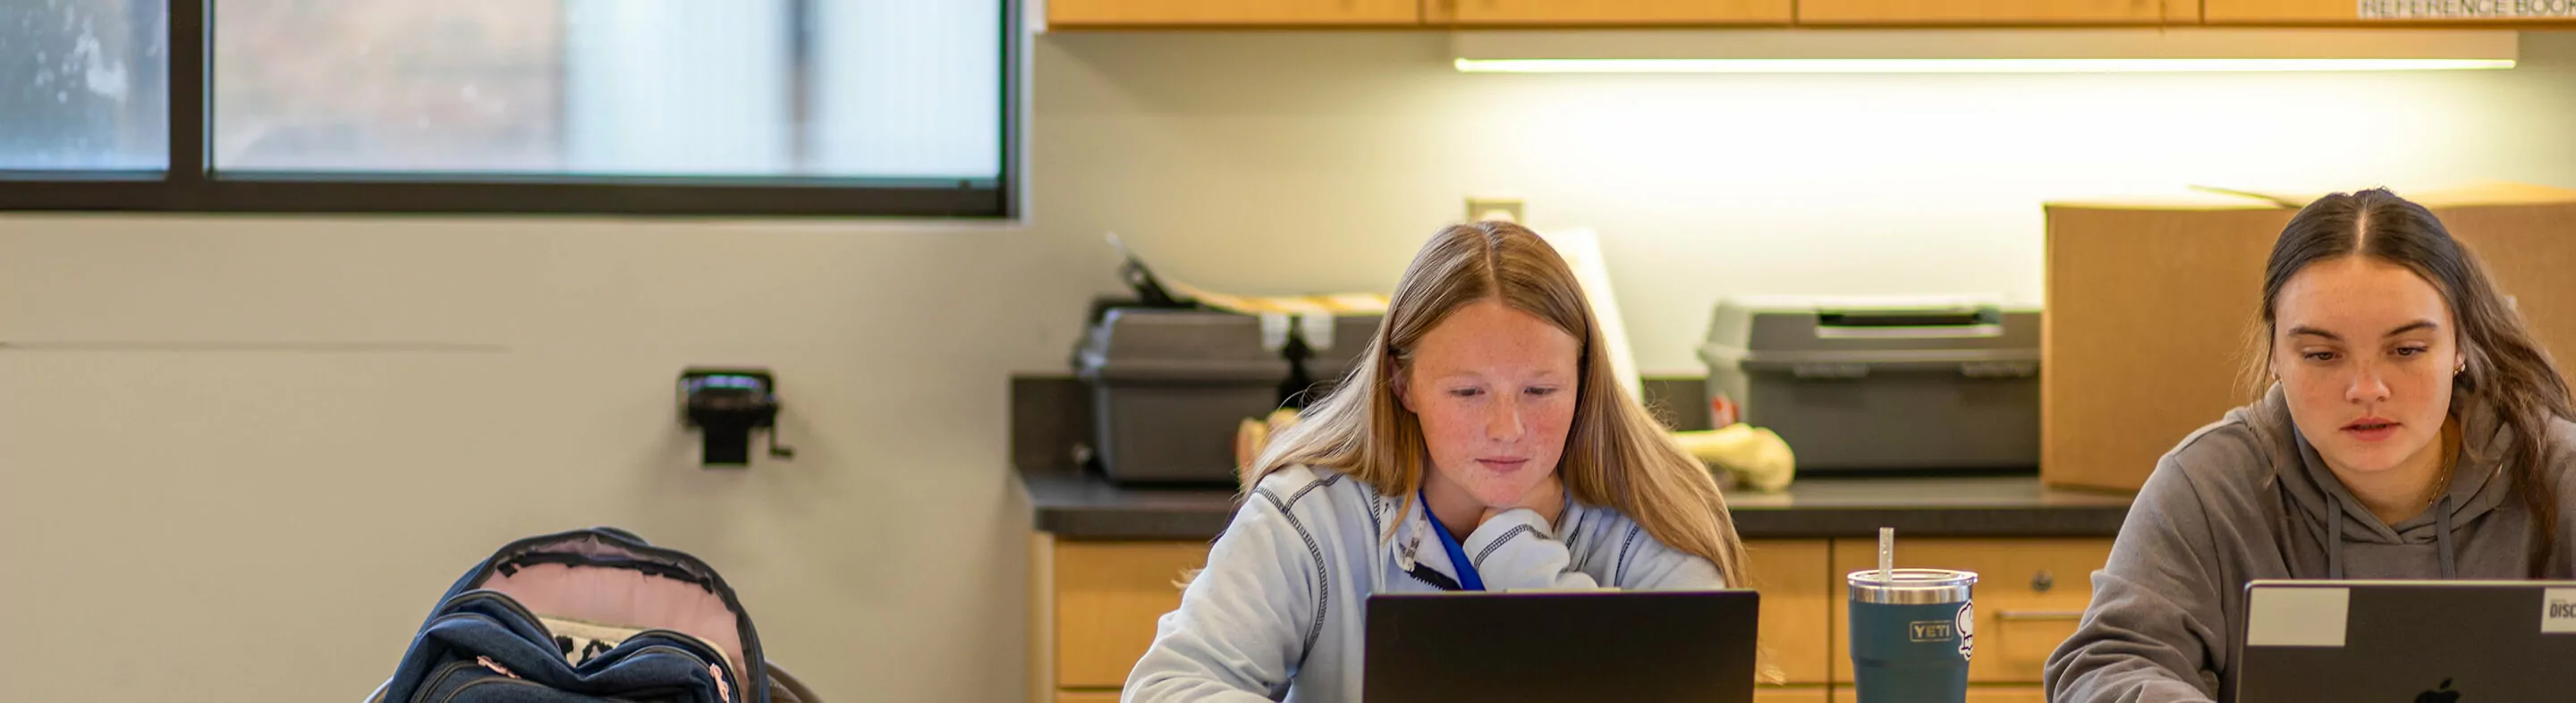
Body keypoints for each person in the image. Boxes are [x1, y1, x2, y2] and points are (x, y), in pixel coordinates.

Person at [1122, 220, 1750, 702]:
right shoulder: (1311, 515)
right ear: (1403, 384)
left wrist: (1515, 543)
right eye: (1467, 392)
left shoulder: (1653, 511)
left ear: (1584, 381)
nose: (1507, 429)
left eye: (1539, 391)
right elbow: (1165, 688)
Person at [2045, 188, 2576, 702]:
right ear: (2275, 355)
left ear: (2460, 345)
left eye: (2408, 349)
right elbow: (2109, 664)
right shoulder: (2207, 486)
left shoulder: (2559, 474)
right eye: (2323, 355)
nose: (2367, 389)